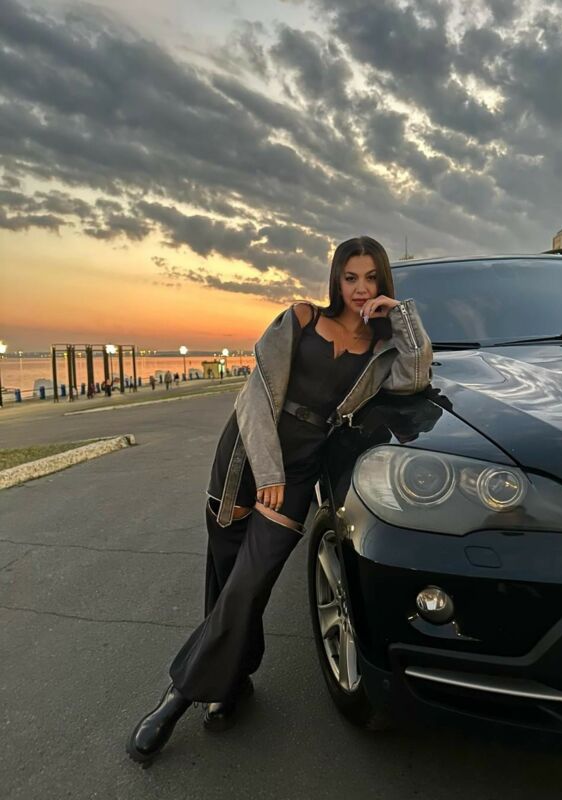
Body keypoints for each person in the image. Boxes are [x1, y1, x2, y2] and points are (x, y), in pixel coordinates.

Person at [126, 236, 433, 765]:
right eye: (350, 277)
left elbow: (417, 376)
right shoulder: (302, 318)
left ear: (383, 281)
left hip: (299, 470)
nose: (360, 289)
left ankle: (175, 699)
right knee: (226, 577)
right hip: (245, 454)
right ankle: (230, 685)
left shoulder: (382, 350)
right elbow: (255, 399)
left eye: (371, 278)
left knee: (250, 584)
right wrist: (265, 470)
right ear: (336, 280)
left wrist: (402, 316)